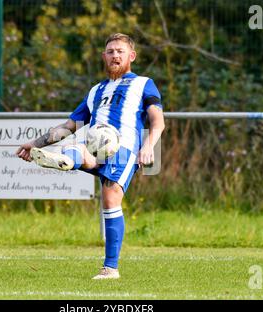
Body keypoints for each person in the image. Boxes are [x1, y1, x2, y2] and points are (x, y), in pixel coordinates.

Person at [16, 33, 165, 280]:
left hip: (124, 148)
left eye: (120, 51)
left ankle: (110, 269)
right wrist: (34, 144)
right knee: (78, 146)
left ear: (132, 56)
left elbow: (157, 120)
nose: (115, 55)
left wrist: (149, 146)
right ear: (103, 56)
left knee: (110, 198)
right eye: (110, 51)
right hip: (95, 144)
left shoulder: (144, 84)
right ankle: (64, 159)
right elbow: (69, 125)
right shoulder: (96, 91)